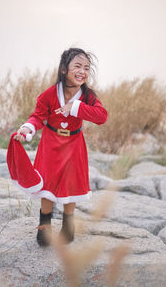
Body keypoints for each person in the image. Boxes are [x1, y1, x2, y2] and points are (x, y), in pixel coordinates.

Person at [14, 48, 108, 246]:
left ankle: (68, 227)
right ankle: (44, 227)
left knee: (70, 185)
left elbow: (102, 116)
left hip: (74, 144)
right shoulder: (49, 94)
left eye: (86, 68)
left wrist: (74, 108)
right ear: (64, 69)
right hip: (50, 143)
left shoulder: (88, 97)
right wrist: (26, 128)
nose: (82, 71)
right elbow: (38, 116)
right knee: (46, 184)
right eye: (77, 66)